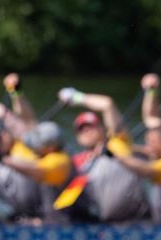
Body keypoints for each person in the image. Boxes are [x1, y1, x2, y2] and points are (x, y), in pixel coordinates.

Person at [54, 88, 149, 222]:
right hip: (104, 223)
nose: (86, 131)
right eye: (81, 129)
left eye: (91, 126)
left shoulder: (118, 143)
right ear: (77, 137)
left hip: (137, 220)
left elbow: (107, 104)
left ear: (103, 129)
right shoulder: (76, 162)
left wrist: (76, 97)